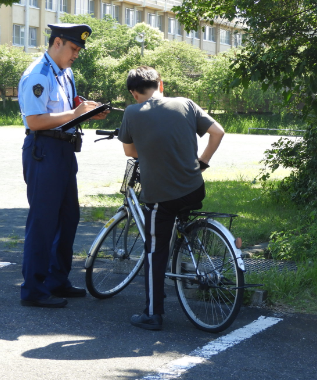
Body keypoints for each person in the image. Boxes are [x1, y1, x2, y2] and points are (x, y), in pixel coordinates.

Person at [117, 66, 225, 331]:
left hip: (160, 196)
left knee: (155, 249)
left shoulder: (132, 112)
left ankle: (153, 313)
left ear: (133, 93)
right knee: (178, 216)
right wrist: (202, 162)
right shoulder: (185, 103)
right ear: (160, 84)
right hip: (194, 188)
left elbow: (130, 152)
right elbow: (218, 132)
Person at [18, 23, 109, 308]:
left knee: (68, 217)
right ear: (57, 42)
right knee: (44, 220)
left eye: (79, 50)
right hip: (43, 149)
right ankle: (33, 289)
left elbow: (67, 110)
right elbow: (34, 120)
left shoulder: (65, 73)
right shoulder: (39, 74)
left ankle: (57, 281)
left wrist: (86, 111)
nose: (76, 55)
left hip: (63, 150)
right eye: (73, 48)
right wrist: (75, 112)